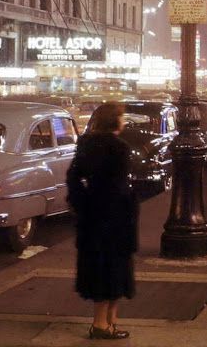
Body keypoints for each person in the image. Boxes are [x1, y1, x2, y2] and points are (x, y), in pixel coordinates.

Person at [66, 102, 138, 340]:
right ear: (114, 121)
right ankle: (102, 324)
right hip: (115, 217)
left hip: (92, 217)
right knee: (115, 267)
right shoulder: (120, 148)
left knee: (98, 267)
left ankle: (108, 322)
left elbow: (73, 177)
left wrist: (82, 204)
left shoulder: (85, 145)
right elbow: (119, 185)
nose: (124, 121)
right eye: (122, 117)